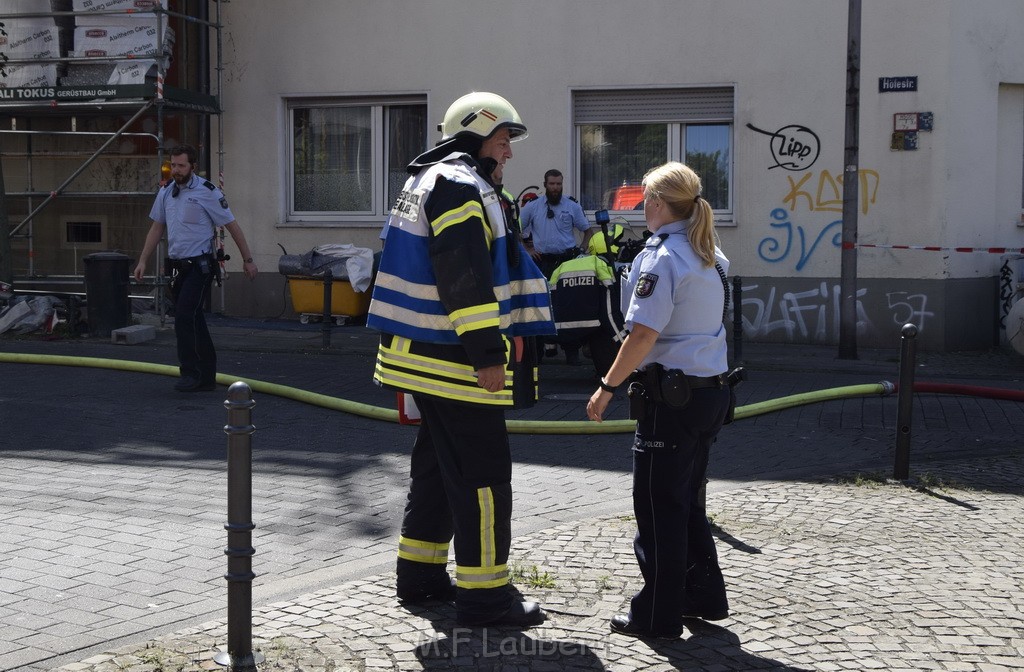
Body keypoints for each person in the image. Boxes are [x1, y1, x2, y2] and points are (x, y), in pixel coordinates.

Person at [366, 92, 554, 628]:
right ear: (475, 137)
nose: (509, 156)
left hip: (422, 356)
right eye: (502, 143)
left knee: (435, 468)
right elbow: (463, 277)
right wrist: (488, 356)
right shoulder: (459, 185)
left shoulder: (435, 180)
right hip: (453, 360)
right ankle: (487, 595)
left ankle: (421, 578)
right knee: (484, 476)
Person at [586, 161, 732, 639]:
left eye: (645, 198)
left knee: (657, 508)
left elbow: (644, 333)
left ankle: (658, 614)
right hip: (707, 394)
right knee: (686, 501)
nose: (641, 206)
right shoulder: (709, 251)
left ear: (657, 203)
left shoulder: (664, 256)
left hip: (672, 399)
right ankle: (702, 594)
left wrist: (607, 387)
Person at [133, 144, 258, 392]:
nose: (176, 170)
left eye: (181, 165)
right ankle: (207, 375)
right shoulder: (166, 192)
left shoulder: (207, 192)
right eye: (173, 165)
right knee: (194, 320)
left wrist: (247, 259)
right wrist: (143, 260)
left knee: (183, 317)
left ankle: (189, 373)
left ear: (193, 166)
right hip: (177, 268)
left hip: (199, 266)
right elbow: (157, 227)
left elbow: (232, 225)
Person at [520, 169, 593, 365]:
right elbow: (514, 229)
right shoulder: (532, 207)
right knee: (542, 305)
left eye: (559, 184)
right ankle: (541, 350)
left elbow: (588, 231)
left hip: (567, 263)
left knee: (570, 306)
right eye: (552, 184)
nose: (555, 188)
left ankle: (572, 351)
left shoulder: (571, 206)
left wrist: (581, 250)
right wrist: (526, 250)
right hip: (542, 263)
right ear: (545, 184)